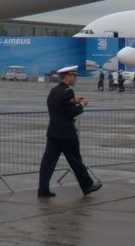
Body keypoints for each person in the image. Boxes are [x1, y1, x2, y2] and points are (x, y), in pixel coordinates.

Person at [37, 67, 102, 198]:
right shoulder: (68, 92)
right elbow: (72, 112)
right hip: (66, 133)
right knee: (76, 161)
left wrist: (75, 101)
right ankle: (87, 185)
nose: (75, 79)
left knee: (48, 163)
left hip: (54, 132)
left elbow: (59, 106)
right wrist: (83, 104)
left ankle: (43, 189)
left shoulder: (54, 91)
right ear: (67, 77)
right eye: (73, 76)